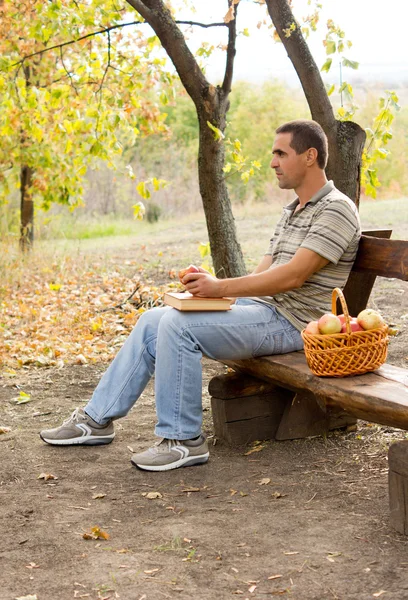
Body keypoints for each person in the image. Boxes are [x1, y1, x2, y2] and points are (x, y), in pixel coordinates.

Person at [40, 119, 361, 471]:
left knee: (179, 326)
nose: (273, 162)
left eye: (281, 153)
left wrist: (221, 289)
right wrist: (210, 288)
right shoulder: (293, 211)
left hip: (294, 325)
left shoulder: (336, 208)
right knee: (152, 320)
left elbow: (293, 276)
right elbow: (263, 275)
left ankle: (183, 440)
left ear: (310, 156)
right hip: (264, 312)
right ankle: (95, 420)